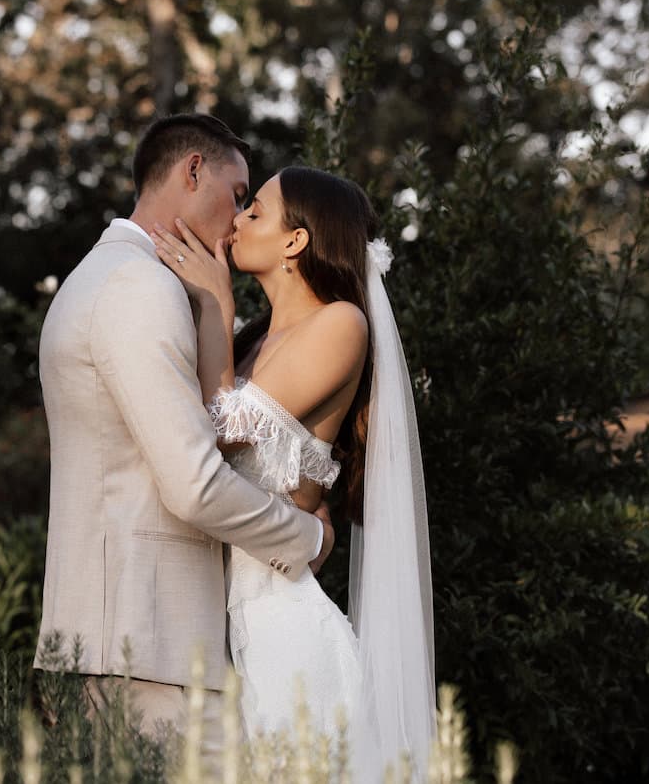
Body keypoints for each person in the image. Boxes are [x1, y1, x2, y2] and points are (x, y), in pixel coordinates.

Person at [33, 115, 334, 768]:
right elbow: (194, 482)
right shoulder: (138, 287)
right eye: (237, 192)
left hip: (122, 644)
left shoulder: (109, 276)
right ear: (192, 171)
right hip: (144, 649)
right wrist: (308, 537)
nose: (237, 218)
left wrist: (215, 314)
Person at [149, 165, 436, 780]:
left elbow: (218, 430)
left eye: (255, 211)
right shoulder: (250, 341)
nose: (237, 219)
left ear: (296, 241)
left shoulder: (341, 324)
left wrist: (215, 299)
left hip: (283, 630)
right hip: (216, 621)